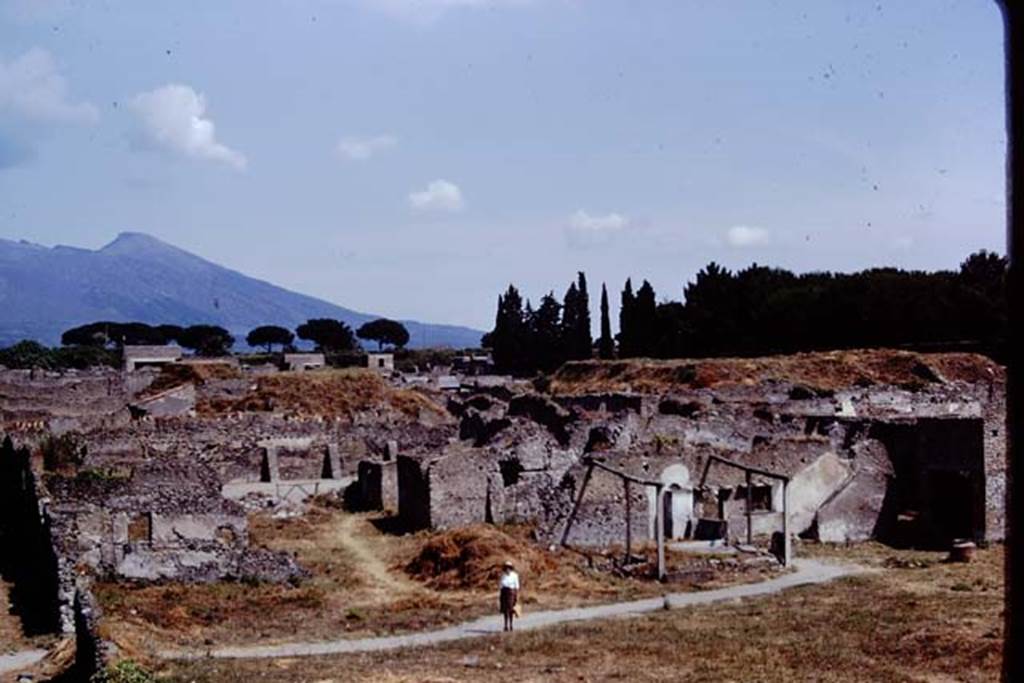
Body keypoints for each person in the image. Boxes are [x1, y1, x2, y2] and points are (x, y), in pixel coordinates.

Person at [499, 559, 520, 632]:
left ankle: (511, 625)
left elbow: (517, 586)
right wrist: (501, 595)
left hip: (511, 593)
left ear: (511, 568)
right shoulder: (503, 576)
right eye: (506, 568)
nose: (507, 569)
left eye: (509, 567)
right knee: (505, 610)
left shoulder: (515, 575)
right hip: (504, 592)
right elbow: (501, 585)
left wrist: (516, 596)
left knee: (511, 610)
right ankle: (505, 625)